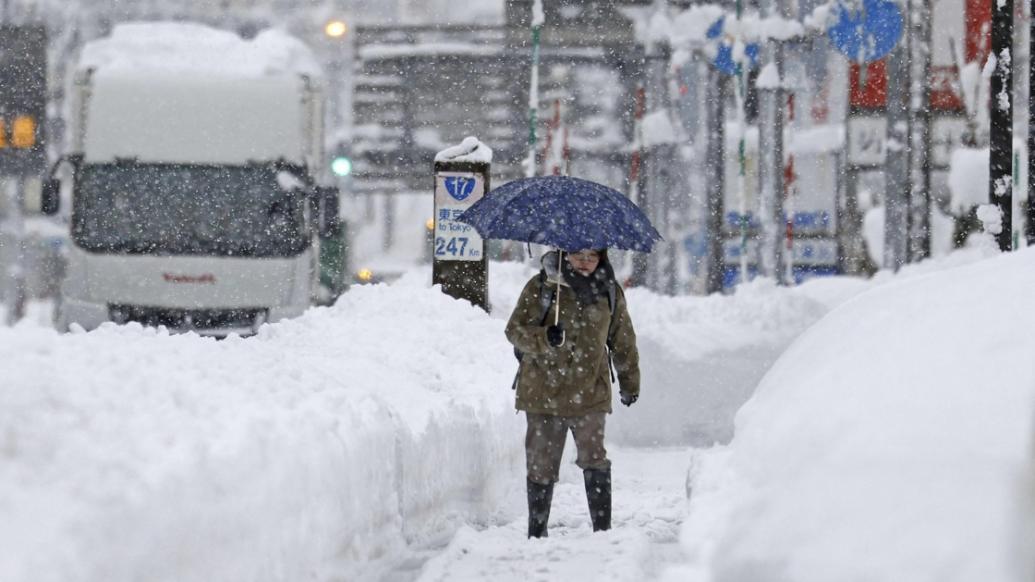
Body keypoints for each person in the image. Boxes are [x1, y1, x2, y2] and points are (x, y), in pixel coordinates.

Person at [505, 248, 640, 538]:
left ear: (601, 259)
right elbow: (514, 330)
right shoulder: (541, 286)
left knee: (595, 458)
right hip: (543, 392)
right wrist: (544, 338)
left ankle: (602, 531)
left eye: (591, 256)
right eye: (578, 255)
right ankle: (537, 532)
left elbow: (623, 339)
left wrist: (630, 383)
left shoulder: (610, 292)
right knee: (541, 465)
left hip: (590, 391)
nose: (584, 262)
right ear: (566, 255)